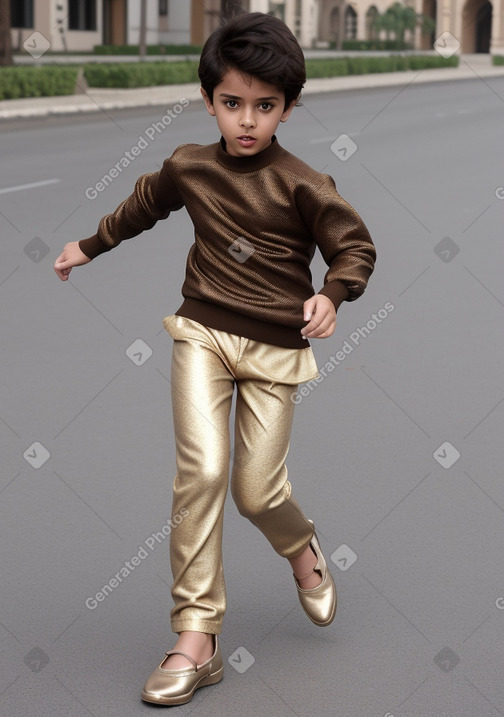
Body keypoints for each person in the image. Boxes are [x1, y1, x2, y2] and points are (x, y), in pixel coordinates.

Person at [54, 11, 376, 707]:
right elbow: (143, 204)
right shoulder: (189, 166)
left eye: (265, 106)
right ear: (209, 101)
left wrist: (334, 293)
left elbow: (355, 245)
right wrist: (88, 245)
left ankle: (301, 547)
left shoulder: (302, 181)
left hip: (274, 348)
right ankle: (195, 637)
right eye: (232, 104)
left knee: (256, 491)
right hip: (202, 332)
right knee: (201, 470)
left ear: (287, 107)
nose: (248, 120)